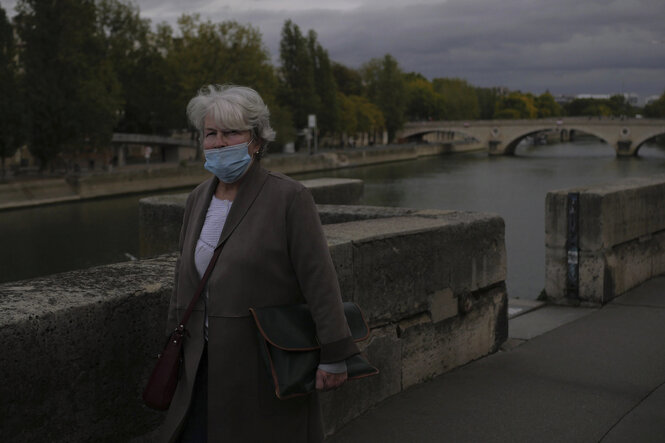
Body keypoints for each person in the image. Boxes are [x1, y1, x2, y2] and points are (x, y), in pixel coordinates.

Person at [159, 85, 360, 442]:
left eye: (231, 132)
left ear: (256, 139)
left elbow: (320, 281)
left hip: (263, 365)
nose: (219, 143)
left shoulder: (288, 197)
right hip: (200, 364)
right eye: (210, 134)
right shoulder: (197, 199)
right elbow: (184, 278)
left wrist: (334, 354)